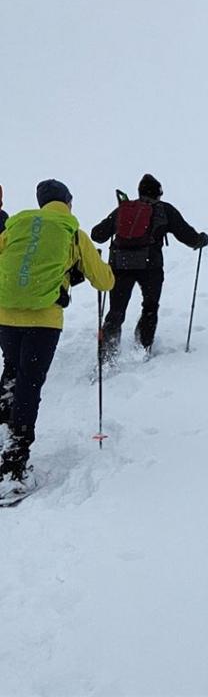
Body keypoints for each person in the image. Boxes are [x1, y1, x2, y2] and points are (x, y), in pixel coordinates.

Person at [0, 179, 114, 497]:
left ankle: (3, 435)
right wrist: (79, 271)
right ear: (68, 202)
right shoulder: (72, 233)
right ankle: (13, 469)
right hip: (43, 320)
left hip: (5, 315)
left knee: (11, 372)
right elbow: (104, 282)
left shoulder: (17, 225)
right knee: (28, 384)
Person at [90, 174, 208, 360]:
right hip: (150, 268)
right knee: (150, 306)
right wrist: (201, 240)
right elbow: (188, 237)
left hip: (121, 266)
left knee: (116, 311)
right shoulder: (164, 210)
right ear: (158, 194)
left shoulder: (124, 209)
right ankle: (144, 346)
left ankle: (107, 353)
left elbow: (97, 235)